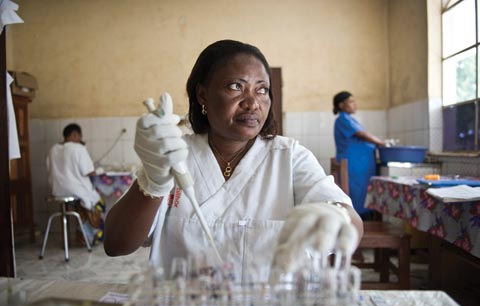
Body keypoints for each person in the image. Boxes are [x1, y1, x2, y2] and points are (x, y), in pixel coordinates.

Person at [104, 40, 364, 282]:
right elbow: (116, 245)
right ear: (203, 95)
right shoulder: (172, 155)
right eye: (236, 87)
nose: (252, 103)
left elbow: (350, 221)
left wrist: (335, 215)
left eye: (262, 90)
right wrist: (154, 181)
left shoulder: (290, 156)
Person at [47, 123, 105, 246]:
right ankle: (90, 237)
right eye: (79, 136)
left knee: (85, 201)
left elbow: (49, 169)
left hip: (57, 192)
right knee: (98, 200)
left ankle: (82, 236)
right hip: (76, 191)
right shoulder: (78, 148)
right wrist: (100, 170)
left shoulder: (53, 149)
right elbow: (89, 172)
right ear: (74, 135)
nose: (80, 139)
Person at [333, 91, 386, 218]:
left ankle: (362, 220)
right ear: (341, 105)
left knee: (362, 193)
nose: (355, 104)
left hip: (360, 163)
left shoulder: (350, 119)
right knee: (356, 193)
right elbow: (361, 134)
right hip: (353, 165)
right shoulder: (343, 119)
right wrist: (381, 143)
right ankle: (359, 222)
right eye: (351, 101)